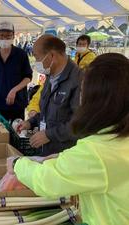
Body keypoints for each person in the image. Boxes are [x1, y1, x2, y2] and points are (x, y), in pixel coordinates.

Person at [9, 53, 129, 225]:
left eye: (84, 90)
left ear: (96, 99)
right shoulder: (114, 140)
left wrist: (17, 164)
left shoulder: (97, 152)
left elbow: (47, 181)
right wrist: (62, 158)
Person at [19, 35, 82, 156]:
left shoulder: (78, 80)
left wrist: (49, 135)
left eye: (37, 57)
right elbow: (46, 111)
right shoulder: (50, 76)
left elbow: (79, 124)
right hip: (46, 151)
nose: (36, 62)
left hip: (64, 155)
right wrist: (30, 122)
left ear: (52, 55)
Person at [0, 21, 32, 121]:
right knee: (1, 133)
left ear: (13, 36)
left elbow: (28, 77)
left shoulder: (21, 55)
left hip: (18, 102)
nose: (4, 39)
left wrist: (14, 90)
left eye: (8, 36)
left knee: (17, 132)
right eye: (1, 35)